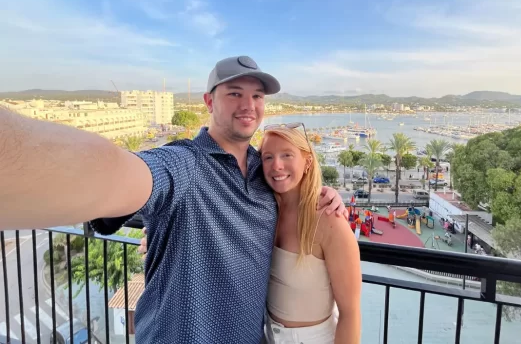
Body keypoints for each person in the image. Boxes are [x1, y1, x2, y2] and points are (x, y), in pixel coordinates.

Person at [0, 56, 347, 343]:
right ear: (209, 102)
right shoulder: (184, 163)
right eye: (235, 94)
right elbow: (120, 173)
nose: (248, 105)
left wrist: (324, 193)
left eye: (257, 97)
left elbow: (294, 186)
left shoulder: (264, 170)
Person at [140, 124, 362, 343]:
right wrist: (164, 237)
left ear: (308, 162)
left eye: (287, 155)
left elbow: (351, 313)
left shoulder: (329, 221)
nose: (277, 165)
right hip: (265, 336)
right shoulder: (264, 209)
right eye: (267, 157)